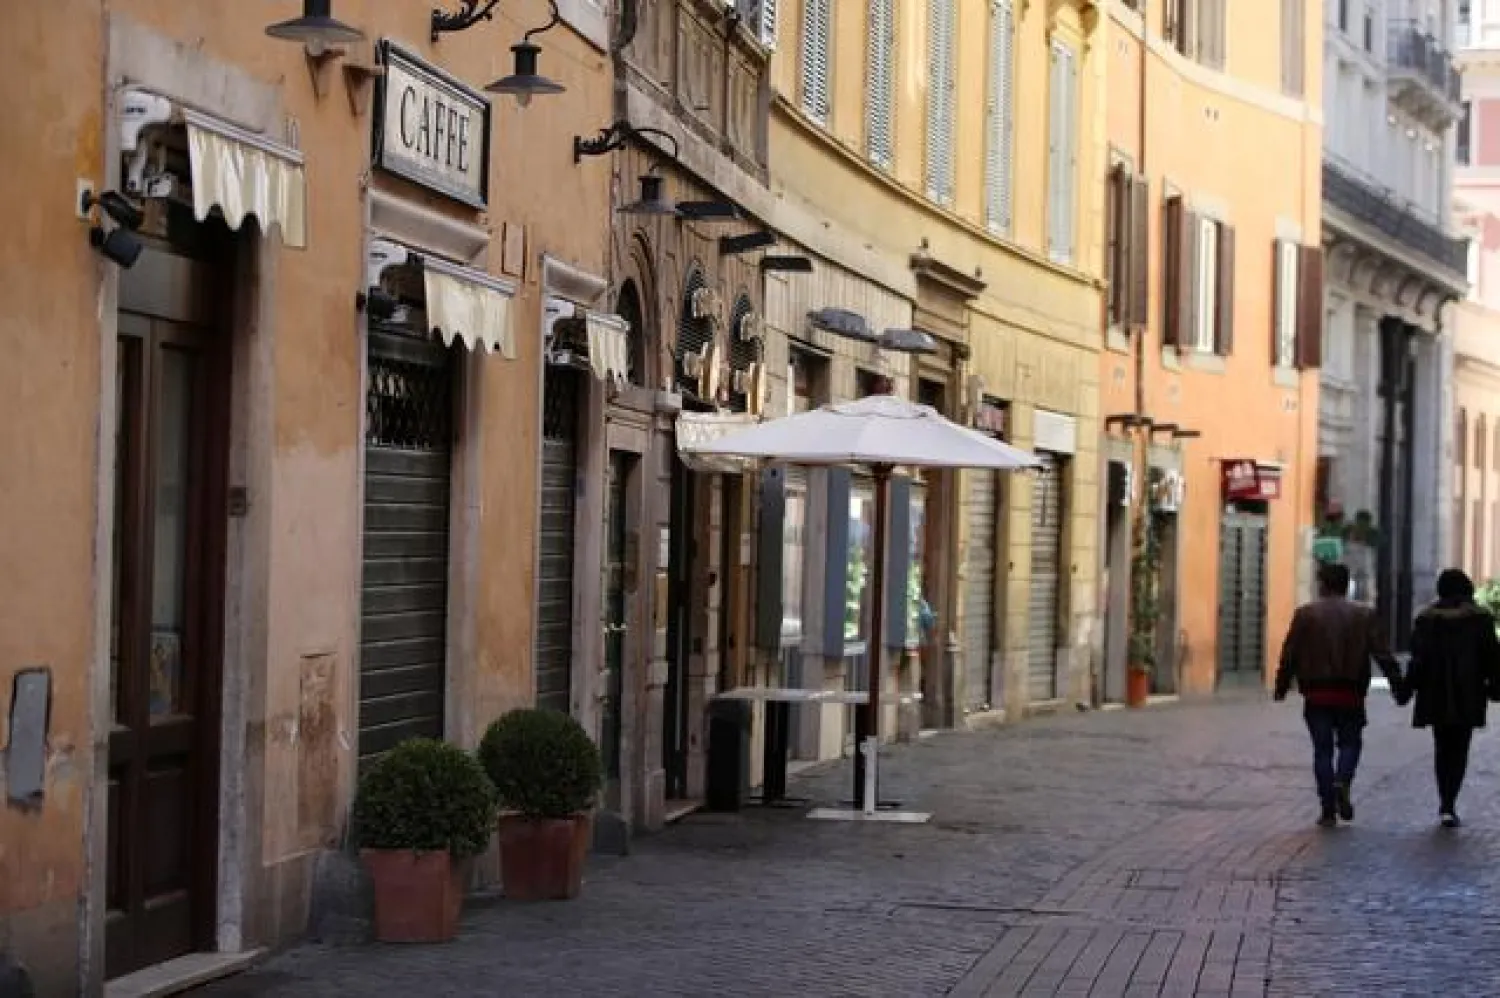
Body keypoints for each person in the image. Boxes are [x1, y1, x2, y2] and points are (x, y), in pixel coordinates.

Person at [1274, 561, 1399, 827]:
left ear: (1323, 584)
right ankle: (1343, 780)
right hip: (1350, 691)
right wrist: (1398, 685)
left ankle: (1327, 807)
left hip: (1316, 692)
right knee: (1350, 743)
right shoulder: (1363, 615)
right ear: (1346, 584)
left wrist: (1281, 686)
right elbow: (1382, 654)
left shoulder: (1305, 614)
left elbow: (1290, 653)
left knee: (1322, 751)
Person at [1398, 568, 1500, 828]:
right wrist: (1495, 687)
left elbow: (1416, 660)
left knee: (1441, 747)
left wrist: (1406, 690)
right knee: (1460, 747)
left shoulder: (1426, 619)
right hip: (1468, 693)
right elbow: (1492, 659)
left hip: (1435, 693)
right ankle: (1449, 802)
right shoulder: (1481, 619)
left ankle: (1445, 801)